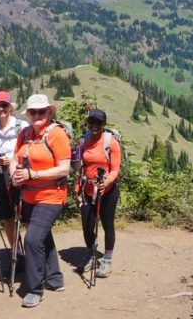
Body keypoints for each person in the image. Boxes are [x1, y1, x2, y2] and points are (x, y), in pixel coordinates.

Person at [11, 94, 70, 308]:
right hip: (28, 196)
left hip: (52, 195)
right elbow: (15, 159)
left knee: (32, 239)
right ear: (27, 114)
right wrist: (15, 175)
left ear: (49, 112)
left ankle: (35, 289)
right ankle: (54, 279)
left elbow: (64, 168)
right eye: (33, 112)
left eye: (41, 111)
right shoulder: (25, 133)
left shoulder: (57, 134)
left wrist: (32, 175)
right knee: (42, 238)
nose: (37, 115)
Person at [75, 109, 121, 278]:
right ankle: (90, 254)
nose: (94, 126)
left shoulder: (111, 143)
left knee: (108, 226)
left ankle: (107, 260)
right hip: (87, 190)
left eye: (98, 123)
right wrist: (77, 189)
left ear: (104, 125)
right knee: (87, 225)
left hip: (107, 192)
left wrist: (106, 182)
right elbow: (81, 168)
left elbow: (115, 169)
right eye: (91, 122)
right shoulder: (84, 141)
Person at [0, 91, 29, 255]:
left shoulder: (22, 126)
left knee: (24, 216)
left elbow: (27, 151)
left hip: (18, 177)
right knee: (7, 218)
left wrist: (11, 160)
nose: (1, 108)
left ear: (11, 108)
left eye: (5, 105)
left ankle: (31, 252)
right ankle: (16, 253)